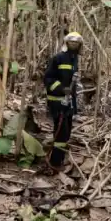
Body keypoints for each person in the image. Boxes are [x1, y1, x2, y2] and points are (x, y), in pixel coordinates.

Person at [43, 31, 83, 171]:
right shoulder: (58, 58)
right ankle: (55, 162)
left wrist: (75, 108)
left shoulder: (75, 59)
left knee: (66, 133)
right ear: (66, 43)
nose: (74, 45)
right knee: (61, 132)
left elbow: (72, 86)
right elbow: (47, 79)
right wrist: (61, 89)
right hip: (57, 101)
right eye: (71, 42)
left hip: (68, 103)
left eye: (76, 43)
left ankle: (59, 158)